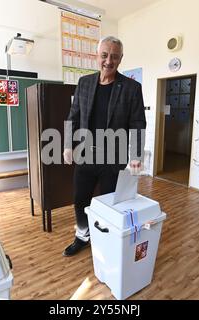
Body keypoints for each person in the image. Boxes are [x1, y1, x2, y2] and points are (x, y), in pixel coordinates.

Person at [62, 36, 146, 257]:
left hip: (113, 158)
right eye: (105, 55)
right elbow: (73, 116)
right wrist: (68, 146)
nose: (109, 61)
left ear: (120, 59)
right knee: (80, 199)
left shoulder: (131, 88)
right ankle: (82, 235)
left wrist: (136, 155)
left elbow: (138, 123)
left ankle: (107, 242)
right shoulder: (85, 83)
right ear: (96, 56)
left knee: (110, 204)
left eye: (114, 56)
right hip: (85, 155)